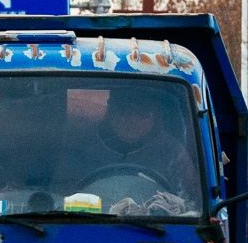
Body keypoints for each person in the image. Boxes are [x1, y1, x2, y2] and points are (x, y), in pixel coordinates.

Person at [73, 84, 199, 216]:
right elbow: (61, 197)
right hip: (91, 223)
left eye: (142, 112)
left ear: (154, 114)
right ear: (111, 109)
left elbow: (190, 202)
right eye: (125, 111)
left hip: (154, 229)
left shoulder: (172, 151)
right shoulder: (82, 146)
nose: (133, 120)